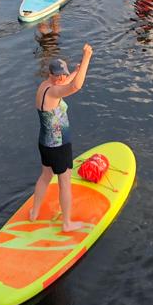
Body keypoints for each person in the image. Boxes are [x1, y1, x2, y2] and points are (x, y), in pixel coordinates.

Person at [31, 45, 93, 233]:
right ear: (57, 77)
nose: (65, 77)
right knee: (64, 181)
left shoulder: (45, 86)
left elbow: (66, 84)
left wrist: (76, 70)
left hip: (45, 143)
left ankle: (34, 213)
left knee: (45, 176)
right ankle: (67, 223)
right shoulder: (54, 92)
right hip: (58, 145)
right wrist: (87, 58)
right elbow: (75, 86)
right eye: (63, 75)